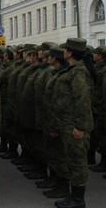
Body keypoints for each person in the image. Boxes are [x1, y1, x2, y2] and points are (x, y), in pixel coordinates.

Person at [50, 38, 94, 208]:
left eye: (66, 49)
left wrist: (80, 127)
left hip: (74, 126)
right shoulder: (72, 70)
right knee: (71, 161)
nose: (63, 52)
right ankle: (72, 196)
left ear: (69, 52)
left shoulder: (78, 73)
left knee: (77, 163)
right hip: (67, 124)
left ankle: (78, 200)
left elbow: (82, 101)